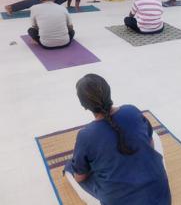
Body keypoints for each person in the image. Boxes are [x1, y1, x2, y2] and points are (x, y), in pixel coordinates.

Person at [64, 74, 171, 205]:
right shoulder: (132, 111)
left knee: (71, 167)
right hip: (162, 197)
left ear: (84, 105)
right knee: (151, 136)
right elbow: (151, 144)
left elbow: (80, 177)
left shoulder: (86, 136)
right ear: (109, 92)